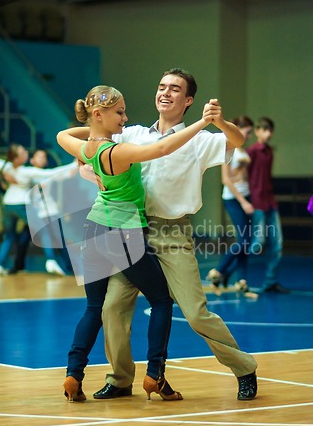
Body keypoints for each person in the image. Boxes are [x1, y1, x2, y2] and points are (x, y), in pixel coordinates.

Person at [58, 68, 258, 402]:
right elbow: (91, 137)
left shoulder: (201, 139)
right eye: (162, 86)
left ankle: (244, 368)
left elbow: (237, 140)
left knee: (195, 313)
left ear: (188, 100)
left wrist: (219, 121)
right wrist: (91, 143)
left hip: (173, 233)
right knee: (112, 308)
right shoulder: (131, 133)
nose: (165, 92)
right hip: (129, 230)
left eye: (175, 89)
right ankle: (121, 379)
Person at [0, 145, 76, 275]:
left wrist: (5, 171)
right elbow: (50, 173)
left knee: (10, 237)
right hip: (22, 206)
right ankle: (50, 261)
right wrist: (73, 164)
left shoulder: (10, 168)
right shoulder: (25, 171)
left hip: (8, 205)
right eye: (23, 152)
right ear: (17, 158)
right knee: (42, 231)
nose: (26, 152)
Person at [206, 115, 257, 297]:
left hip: (246, 197)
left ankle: (241, 280)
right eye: (247, 131)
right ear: (239, 128)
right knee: (243, 241)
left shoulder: (243, 151)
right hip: (233, 199)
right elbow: (226, 179)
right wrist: (243, 202)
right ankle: (218, 271)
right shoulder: (229, 147)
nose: (249, 136)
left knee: (246, 242)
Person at [11, 149, 74, 276]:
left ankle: (70, 267)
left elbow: (65, 175)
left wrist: (75, 164)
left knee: (59, 239)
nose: (42, 159)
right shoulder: (27, 174)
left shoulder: (47, 174)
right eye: (39, 157)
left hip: (50, 212)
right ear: (32, 160)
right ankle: (18, 266)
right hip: (34, 214)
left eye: (44, 157)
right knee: (24, 239)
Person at [246, 117, 289, 293]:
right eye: (264, 130)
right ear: (257, 131)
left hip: (270, 201)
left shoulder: (269, 151)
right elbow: (245, 176)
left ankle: (270, 280)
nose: (268, 133)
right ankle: (238, 273)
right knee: (258, 241)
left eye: (270, 130)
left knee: (277, 243)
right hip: (257, 202)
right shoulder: (251, 152)